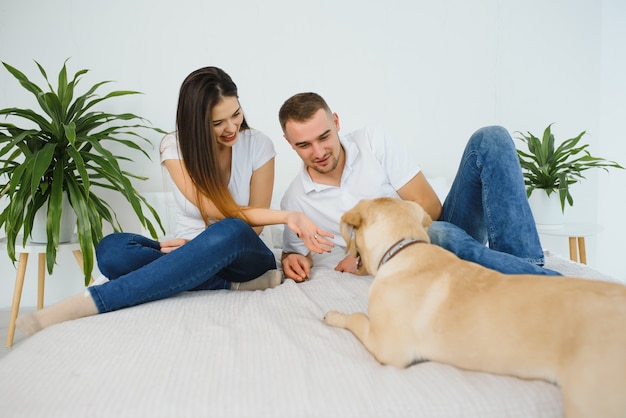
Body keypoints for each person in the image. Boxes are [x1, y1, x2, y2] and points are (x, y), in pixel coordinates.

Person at [16, 68, 332, 336]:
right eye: (218, 122)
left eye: (236, 114)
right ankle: (228, 286)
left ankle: (86, 303)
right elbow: (208, 207)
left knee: (233, 228)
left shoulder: (259, 145)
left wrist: (282, 217)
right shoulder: (175, 146)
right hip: (190, 249)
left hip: (244, 255)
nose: (232, 127)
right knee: (111, 251)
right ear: (196, 122)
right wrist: (191, 251)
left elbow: (255, 228)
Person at [277, 92, 560, 282]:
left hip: (433, 228)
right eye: (303, 144)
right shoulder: (295, 199)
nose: (318, 151)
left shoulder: (372, 141)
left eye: (324, 136)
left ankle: (526, 267)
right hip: (416, 250)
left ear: (336, 122)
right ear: (290, 144)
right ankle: (537, 281)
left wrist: (366, 253)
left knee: (491, 137)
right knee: (441, 233)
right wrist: (293, 260)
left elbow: (431, 209)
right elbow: (296, 252)